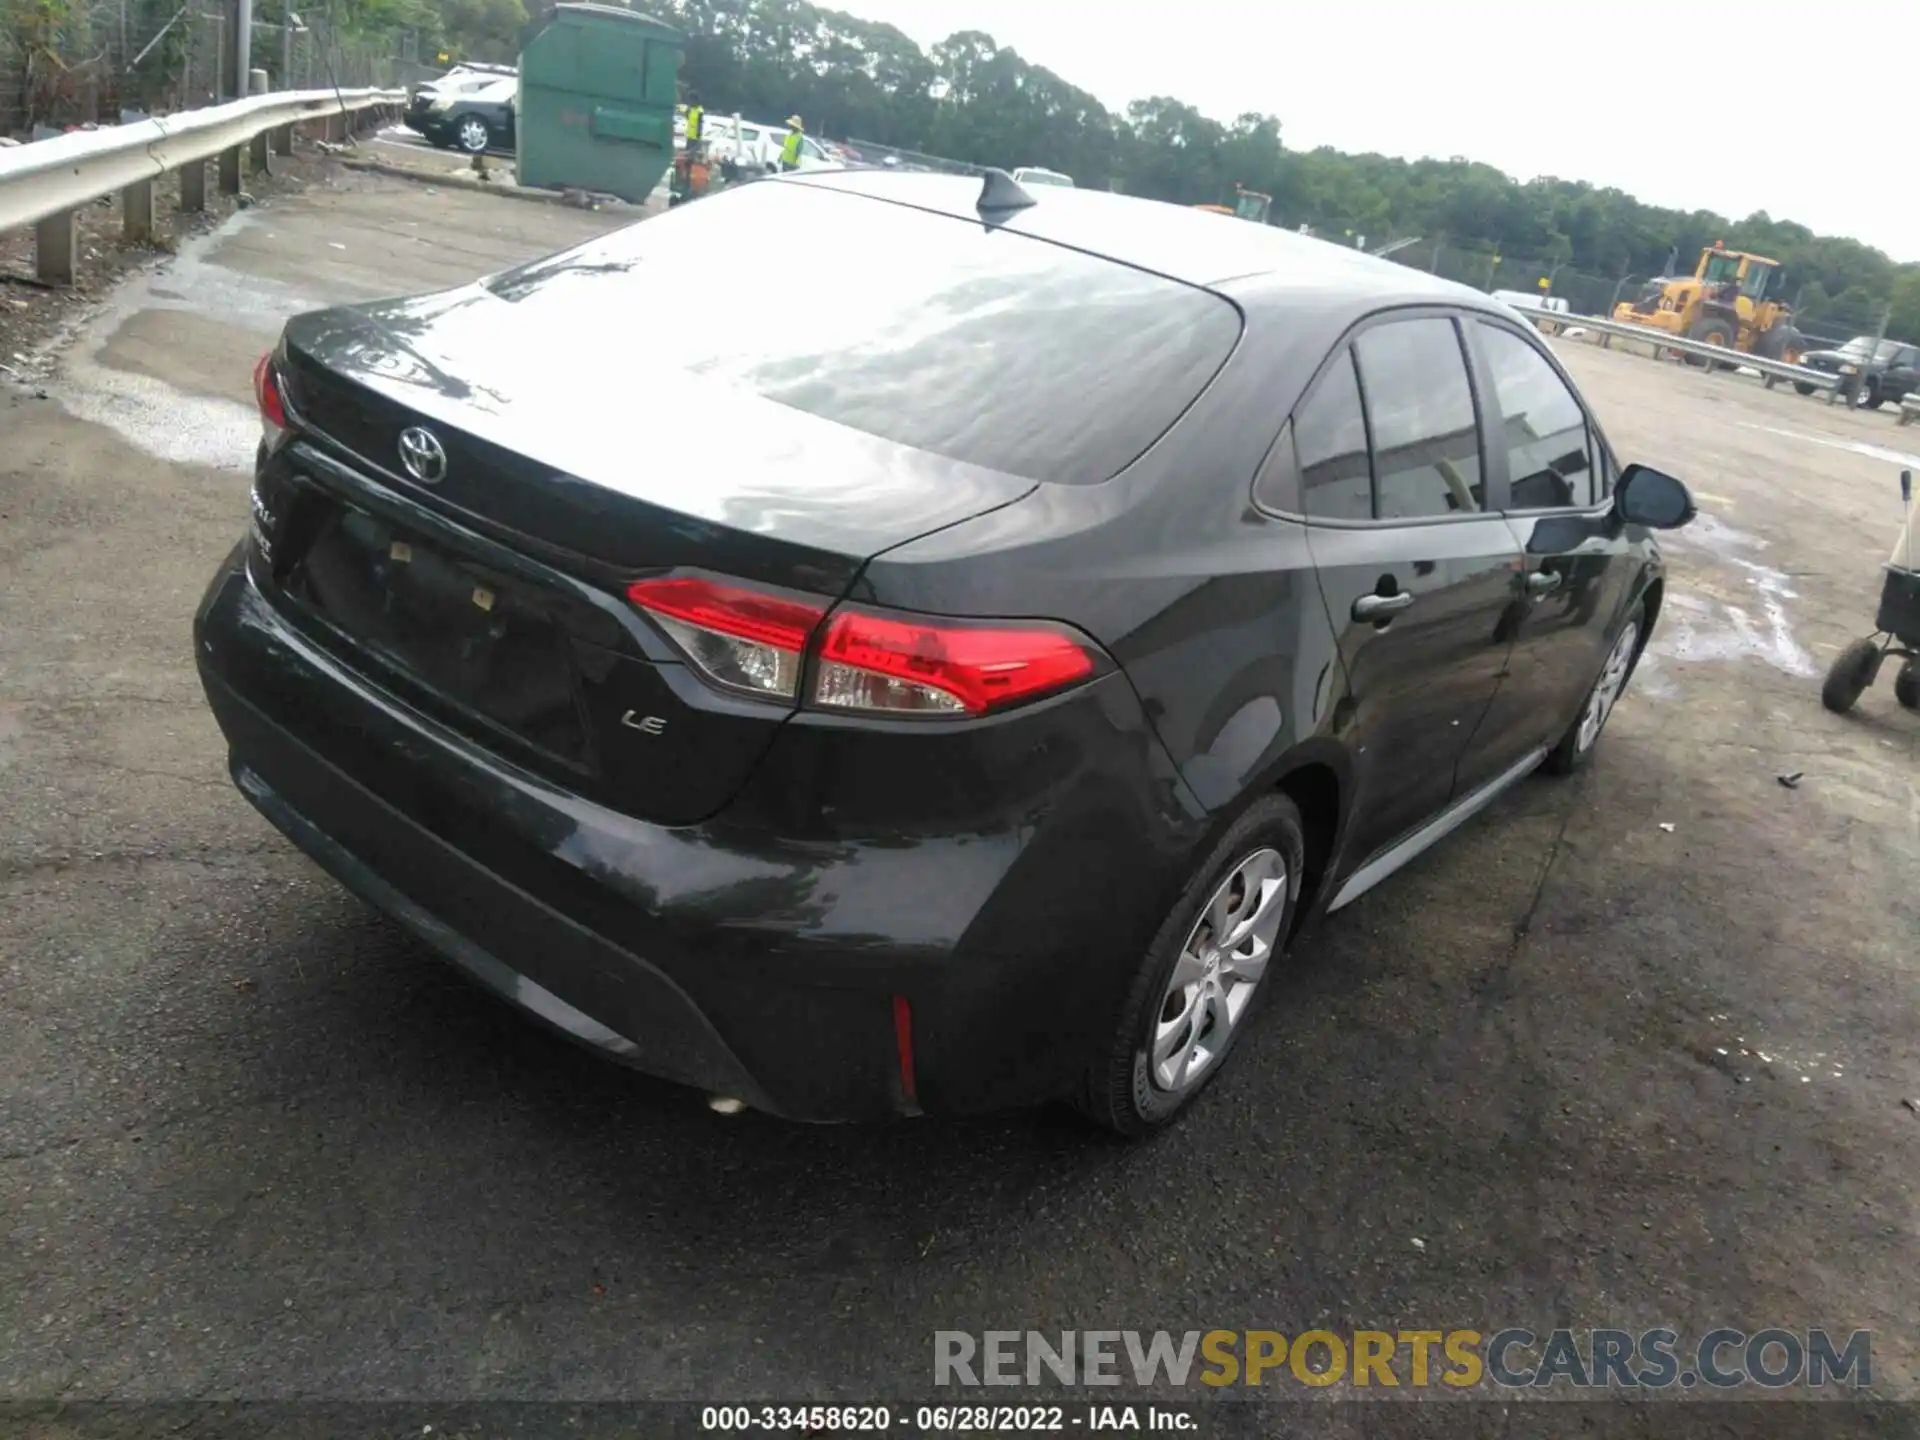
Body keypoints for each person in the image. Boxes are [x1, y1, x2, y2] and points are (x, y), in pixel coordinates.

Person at [683, 91, 705, 163]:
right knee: (686, 157)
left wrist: (698, 135)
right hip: (690, 136)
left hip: (695, 137)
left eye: (691, 100)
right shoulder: (691, 109)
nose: (690, 102)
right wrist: (687, 110)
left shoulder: (700, 110)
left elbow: (700, 123)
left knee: (691, 156)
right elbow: (687, 117)